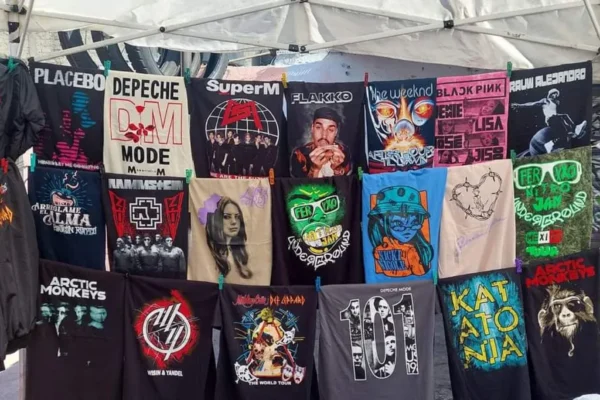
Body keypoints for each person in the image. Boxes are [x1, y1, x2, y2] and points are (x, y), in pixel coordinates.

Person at [368, 186, 433, 277]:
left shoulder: (421, 251)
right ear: (382, 222)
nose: (407, 229)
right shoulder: (379, 249)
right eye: (398, 224)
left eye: (414, 222)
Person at [511, 88, 587, 155]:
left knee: (564, 129)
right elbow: (533, 104)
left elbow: (554, 111)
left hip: (556, 119)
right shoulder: (545, 101)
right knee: (562, 118)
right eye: (554, 94)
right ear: (550, 94)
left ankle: (550, 144)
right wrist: (519, 105)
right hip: (550, 119)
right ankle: (575, 130)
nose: (555, 95)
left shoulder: (555, 102)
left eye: (556, 94)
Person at [290, 107, 352, 177]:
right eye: (318, 127)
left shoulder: (344, 152)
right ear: (312, 128)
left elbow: (349, 181)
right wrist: (315, 169)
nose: (324, 136)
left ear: (336, 132)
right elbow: (297, 182)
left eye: (331, 130)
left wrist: (336, 169)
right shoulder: (299, 154)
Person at [205, 197, 252, 279]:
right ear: (214, 220)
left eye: (237, 217)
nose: (234, 222)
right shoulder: (207, 255)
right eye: (227, 217)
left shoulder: (239, 254)